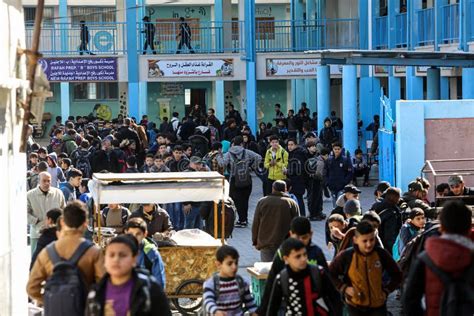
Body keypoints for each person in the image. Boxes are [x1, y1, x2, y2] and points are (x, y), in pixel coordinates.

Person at [403, 200, 473, 316]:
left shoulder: (425, 258)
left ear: (441, 227)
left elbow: (410, 300)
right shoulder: (470, 257)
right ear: (469, 228)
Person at [27, 201, 106, 304]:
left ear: (63, 222)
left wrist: (50, 301)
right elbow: (105, 286)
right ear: (85, 224)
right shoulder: (94, 252)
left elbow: (31, 288)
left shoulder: (47, 252)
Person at [258, 217, 330, 314]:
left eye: (304, 237)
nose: (300, 241)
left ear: (311, 234)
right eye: (297, 237)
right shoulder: (282, 254)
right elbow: (271, 285)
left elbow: (329, 287)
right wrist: (261, 311)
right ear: (291, 234)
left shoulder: (316, 252)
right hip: (288, 306)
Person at [85, 235, 171, 315]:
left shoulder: (149, 289)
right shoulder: (95, 293)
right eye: (111, 255)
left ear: (134, 259)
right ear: (105, 260)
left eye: (122, 255)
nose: (116, 259)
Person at [329, 221, 402, 316]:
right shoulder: (347, 256)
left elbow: (397, 274)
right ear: (355, 240)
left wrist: (386, 291)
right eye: (364, 241)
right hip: (355, 306)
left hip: (378, 306)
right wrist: (344, 288)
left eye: (371, 240)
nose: (369, 244)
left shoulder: (381, 253)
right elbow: (330, 273)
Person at [266, 238, 343, 316]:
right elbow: (272, 308)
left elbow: (335, 298)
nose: (303, 259)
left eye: (305, 254)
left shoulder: (319, 273)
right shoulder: (282, 279)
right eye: (298, 256)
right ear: (286, 259)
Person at [217, 135, 261, 227]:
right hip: (246, 178)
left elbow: (222, 164)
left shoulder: (229, 154)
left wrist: (219, 156)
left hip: (234, 179)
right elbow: (259, 157)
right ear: (242, 143)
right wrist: (251, 167)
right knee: (245, 200)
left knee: (236, 200)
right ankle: (244, 219)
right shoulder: (247, 152)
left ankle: (241, 220)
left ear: (233, 144)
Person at [202, 245, 257, 315]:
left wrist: (254, 312)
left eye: (236, 263)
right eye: (229, 263)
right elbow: (208, 301)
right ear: (219, 264)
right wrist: (215, 311)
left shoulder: (242, 282)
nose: (234, 267)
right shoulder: (211, 284)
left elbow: (249, 302)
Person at [252, 180, 299, 262]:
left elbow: (256, 223)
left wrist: (255, 240)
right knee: (284, 271)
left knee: (268, 271)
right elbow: (297, 224)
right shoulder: (291, 203)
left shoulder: (262, 202)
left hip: (266, 243)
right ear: (285, 189)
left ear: (273, 188)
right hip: (286, 243)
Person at [27, 172, 66, 255]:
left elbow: (64, 211)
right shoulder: (30, 195)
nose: (47, 183)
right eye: (44, 181)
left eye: (49, 181)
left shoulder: (58, 193)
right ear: (38, 181)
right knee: (36, 259)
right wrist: (36, 221)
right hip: (37, 233)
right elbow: (24, 213)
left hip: (56, 234)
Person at [124, 217, 166, 289]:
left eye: (138, 234)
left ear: (145, 234)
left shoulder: (151, 253)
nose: (134, 238)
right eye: (131, 234)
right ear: (125, 232)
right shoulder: (120, 251)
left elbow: (159, 283)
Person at [325, 142, 353, 207]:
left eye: (338, 149)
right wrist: (327, 182)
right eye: (335, 149)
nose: (337, 150)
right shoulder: (329, 160)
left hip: (342, 186)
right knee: (334, 205)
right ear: (333, 149)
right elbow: (326, 172)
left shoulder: (345, 160)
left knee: (340, 203)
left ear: (341, 149)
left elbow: (350, 172)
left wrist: (345, 181)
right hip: (332, 186)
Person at [306, 145, 330, 221]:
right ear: (326, 155)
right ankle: (313, 215)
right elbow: (318, 174)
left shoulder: (318, 159)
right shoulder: (321, 162)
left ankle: (317, 213)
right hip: (316, 182)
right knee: (315, 199)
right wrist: (324, 180)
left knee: (317, 198)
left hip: (315, 181)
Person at [285, 138, 307, 216]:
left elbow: (299, 169)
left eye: (292, 145)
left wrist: (288, 171)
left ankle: (302, 216)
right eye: (288, 145)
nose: (290, 147)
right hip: (292, 180)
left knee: (298, 198)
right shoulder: (288, 153)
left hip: (298, 180)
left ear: (296, 145)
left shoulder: (299, 154)